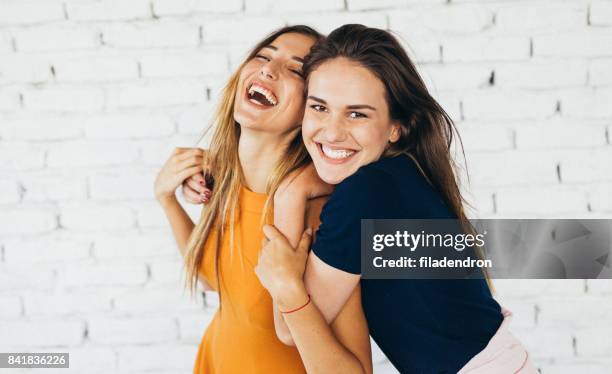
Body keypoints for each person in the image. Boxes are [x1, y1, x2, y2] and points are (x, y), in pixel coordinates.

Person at [253, 24, 537, 373]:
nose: (332, 131)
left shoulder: (365, 194)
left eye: (356, 113)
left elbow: (287, 330)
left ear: (395, 127)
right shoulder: (400, 176)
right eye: (319, 107)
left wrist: (289, 199)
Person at [154, 25, 372, 374]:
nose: (269, 69)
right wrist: (167, 200)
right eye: (263, 56)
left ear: (310, 107)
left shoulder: (315, 214)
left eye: (295, 69)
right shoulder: (225, 185)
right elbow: (215, 281)